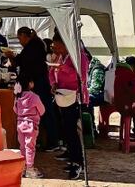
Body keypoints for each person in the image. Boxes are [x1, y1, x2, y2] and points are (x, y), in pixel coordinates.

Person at [12, 27, 60, 152]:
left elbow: (23, 62)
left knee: (45, 112)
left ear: (24, 36)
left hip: (39, 84)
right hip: (40, 83)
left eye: (19, 38)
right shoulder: (36, 44)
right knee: (42, 112)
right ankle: (44, 140)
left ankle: (53, 141)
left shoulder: (32, 47)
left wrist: (13, 57)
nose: (20, 41)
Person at [49, 34, 84, 179]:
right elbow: (52, 72)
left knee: (72, 130)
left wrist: (63, 68)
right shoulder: (59, 57)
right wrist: (53, 84)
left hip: (73, 97)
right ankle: (71, 156)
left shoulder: (77, 57)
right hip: (61, 96)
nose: (55, 49)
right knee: (66, 129)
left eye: (57, 46)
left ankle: (78, 162)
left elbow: (80, 76)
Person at [14, 79, 46, 179]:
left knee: (22, 147)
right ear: (30, 84)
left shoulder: (18, 96)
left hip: (20, 124)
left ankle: (23, 168)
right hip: (31, 125)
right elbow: (42, 110)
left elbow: (15, 110)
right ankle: (30, 169)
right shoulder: (35, 97)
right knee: (30, 148)